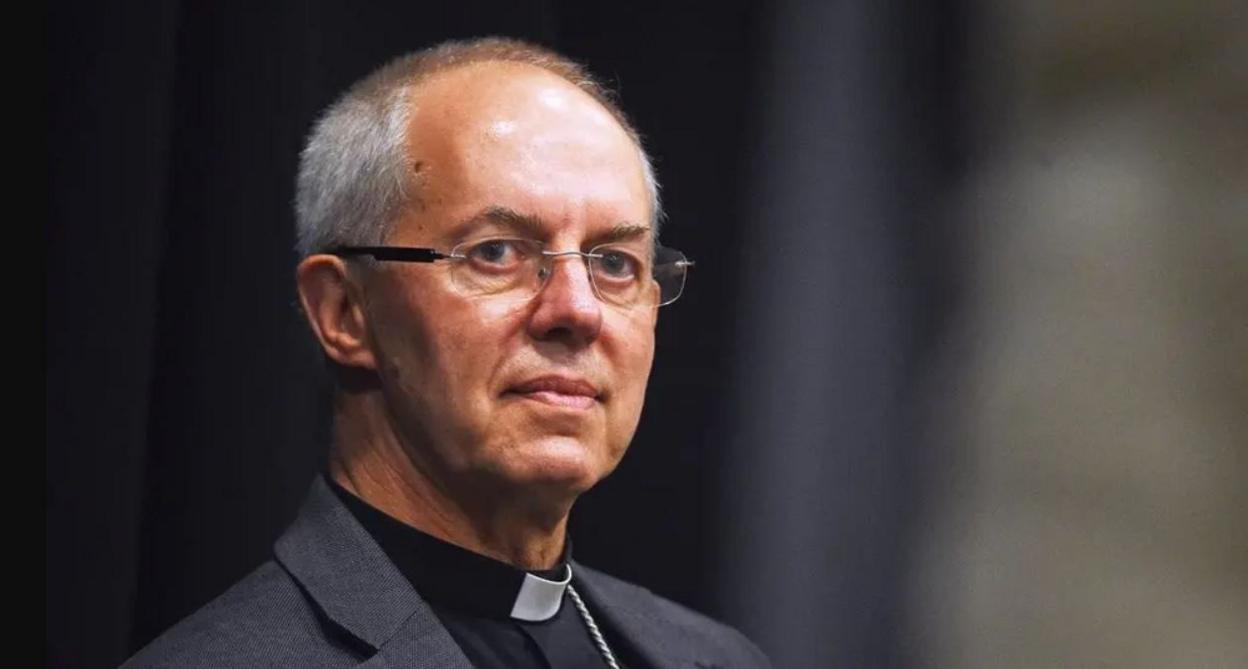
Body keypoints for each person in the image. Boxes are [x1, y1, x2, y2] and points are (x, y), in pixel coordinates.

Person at [122, 36, 770, 668]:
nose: (578, 309)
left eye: (614, 262)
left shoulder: (717, 656)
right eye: (496, 252)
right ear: (345, 312)